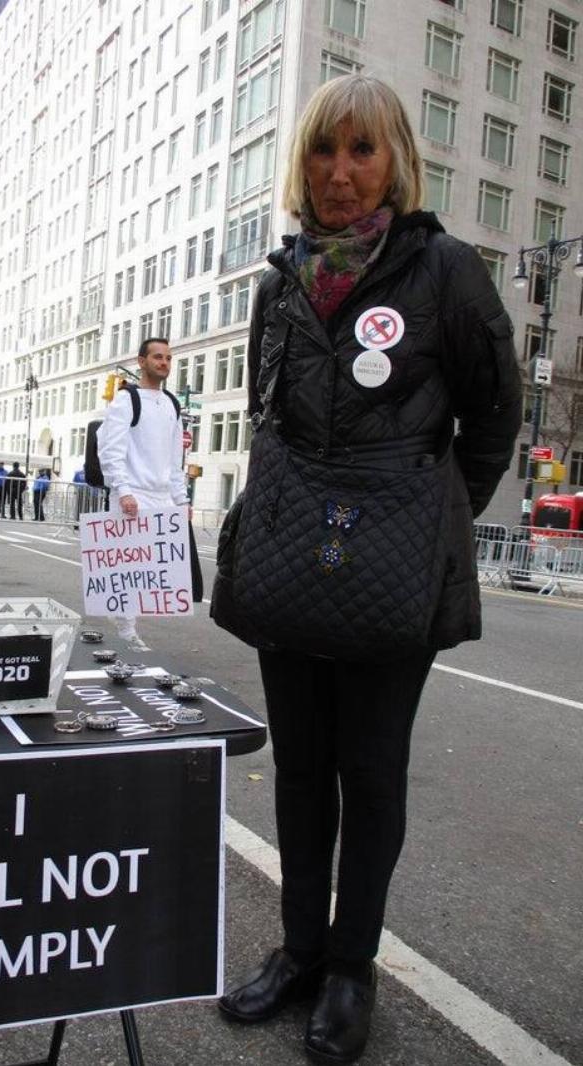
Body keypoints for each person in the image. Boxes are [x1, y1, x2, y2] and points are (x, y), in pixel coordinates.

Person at [212, 75, 522, 1064]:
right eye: (321, 151)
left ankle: (350, 968)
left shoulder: (446, 274)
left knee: (368, 769)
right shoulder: (276, 284)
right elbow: (269, 418)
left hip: (390, 567)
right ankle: (300, 950)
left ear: (395, 161)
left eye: (360, 151)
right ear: (298, 165)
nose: (338, 173)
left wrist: (428, 523)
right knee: (299, 768)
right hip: (292, 558)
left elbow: (493, 418)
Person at [96, 337, 189, 650]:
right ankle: (126, 631)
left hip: (161, 495)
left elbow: (176, 460)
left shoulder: (173, 404)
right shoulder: (126, 400)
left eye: (168, 358)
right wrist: (122, 490)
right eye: (157, 357)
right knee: (127, 567)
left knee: (150, 569)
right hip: (132, 494)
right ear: (141, 361)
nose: (163, 362)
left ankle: (124, 621)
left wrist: (181, 499)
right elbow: (110, 449)